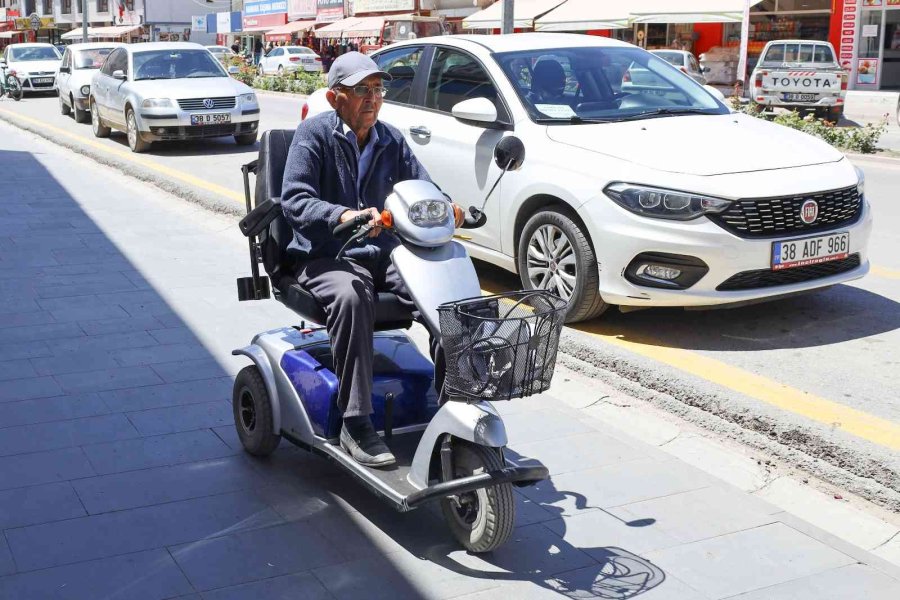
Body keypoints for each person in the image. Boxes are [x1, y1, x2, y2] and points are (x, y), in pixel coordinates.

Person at [280, 52, 465, 468]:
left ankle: (454, 402)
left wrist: (447, 204)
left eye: (378, 89)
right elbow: (294, 201)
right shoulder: (313, 136)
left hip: (381, 253)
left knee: (444, 291)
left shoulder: (391, 139)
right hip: (325, 254)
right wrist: (341, 215)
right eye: (361, 90)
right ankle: (355, 420)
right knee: (352, 294)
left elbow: (423, 186)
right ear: (334, 98)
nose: (372, 99)